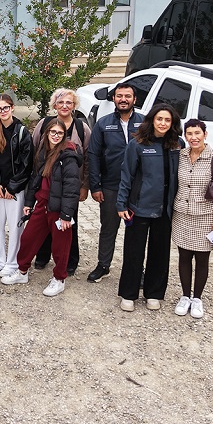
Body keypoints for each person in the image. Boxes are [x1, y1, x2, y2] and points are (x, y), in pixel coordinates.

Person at [2, 119, 82, 296]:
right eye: (53, 132)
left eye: (59, 133)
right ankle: (22, 271)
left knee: (61, 247)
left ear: (64, 135)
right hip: (42, 205)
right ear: (47, 133)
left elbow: (72, 188)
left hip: (58, 209)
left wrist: (66, 215)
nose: (55, 136)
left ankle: (59, 279)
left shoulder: (68, 156)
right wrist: (29, 203)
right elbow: (35, 179)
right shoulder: (43, 151)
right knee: (28, 238)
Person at [114, 104, 182, 312]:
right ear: (152, 120)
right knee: (134, 251)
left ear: (172, 123)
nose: (163, 123)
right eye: (159, 119)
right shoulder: (137, 144)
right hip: (140, 206)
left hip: (165, 209)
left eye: (167, 120)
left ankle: (154, 293)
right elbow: (127, 175)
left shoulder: (177, 145)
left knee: (160, 252)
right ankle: (128, 294)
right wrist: (121, 203)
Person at [172, 118, 213, 319]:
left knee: (201, 259)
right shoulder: (181, 156)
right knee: (183, 257)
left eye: (197, 133)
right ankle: (185, 296)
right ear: (185, 136)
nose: (193, 137)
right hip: (182, 215)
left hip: (205, 218)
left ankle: (197, 298)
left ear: (205, 134)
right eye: (189, 134)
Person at [86, 83, 144, 283]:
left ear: (134, 99)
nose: (123, 99)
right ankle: (103, 265)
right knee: (108, 228)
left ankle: (137, 269)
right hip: (111, 185)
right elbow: (93, 155)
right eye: (119, 96)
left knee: (136, 231)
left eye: (127, 96)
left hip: (138, 187)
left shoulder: (145, 123)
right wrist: (95, 186)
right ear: (113, 99)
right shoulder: (103, 124)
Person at [30, 89, 90, 276]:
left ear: (74, 105)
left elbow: (88, 158)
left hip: (70, 186)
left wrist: (84, 185)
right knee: (44, 221)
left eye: (69, 102)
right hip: (47, 184)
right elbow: (34, 149)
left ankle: (70, 260)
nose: (64, 106)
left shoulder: (82, 128)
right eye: (60, 102)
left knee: (69, 222)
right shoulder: (44, 124)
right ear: (54, 105)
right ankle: (42, 256)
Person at [0, 94, 34, 277]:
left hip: (14, 190)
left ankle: (13, 262)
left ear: (12, 108)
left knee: (16, 227)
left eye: (6, 107)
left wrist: (12, 187)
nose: (2, 111)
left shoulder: (22, 132)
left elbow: (26, 163)